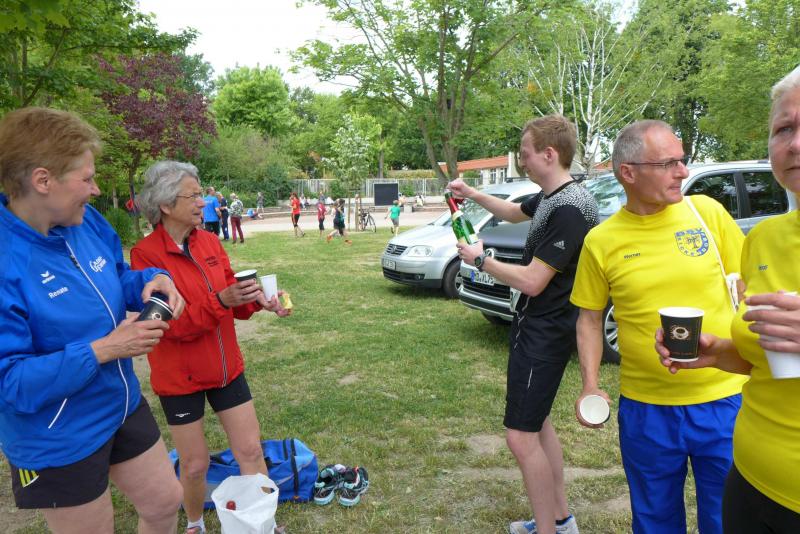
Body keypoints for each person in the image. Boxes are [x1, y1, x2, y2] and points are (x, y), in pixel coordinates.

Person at [0, 107, 186, 533]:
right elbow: (10, 383)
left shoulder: (85, 222)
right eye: (86, 179)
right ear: (43, 181)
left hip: (118, 403)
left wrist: (151, 279)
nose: (96, 189)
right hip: (57, 434)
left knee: (165, 502)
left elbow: (115, 276)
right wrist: (104, 350)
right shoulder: (7, 260)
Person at [570, 119, 747, 534]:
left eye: (682, 160)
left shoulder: (707, 214)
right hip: (646, 409)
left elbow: (746, 291)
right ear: (628, 173)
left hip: (725, 400)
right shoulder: (601, 241)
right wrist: (590, 384)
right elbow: (590, 319)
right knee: (654, 521)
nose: (682, 172)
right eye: (668, 163)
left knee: (727, 519)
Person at [656, 66, 800, 533]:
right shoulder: (764, 238)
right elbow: (768, 361)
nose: (795, 144)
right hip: (751, 481)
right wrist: (717, 352)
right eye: (784, 129)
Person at [449, 114, 597, 534]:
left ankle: (550, 529)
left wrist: (480, 260)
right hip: (538, 327)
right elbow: (514, 212)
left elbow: (533, 281)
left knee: (520, 436)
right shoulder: (554, 196)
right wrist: (471, 193)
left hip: (546, 332)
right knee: (537, 423)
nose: (522, 161)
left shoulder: (570, 209)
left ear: (549, 155)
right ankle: (560, 520)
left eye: (525, 154)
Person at [131, 161, 291, 534]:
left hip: (225, 369)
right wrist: (221, 300)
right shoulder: (145, 256)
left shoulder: (209, 241)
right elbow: (169, 325)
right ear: (166, 205)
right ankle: (195, 523)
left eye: (201, 194)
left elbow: (231, 294)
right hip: (180, 378)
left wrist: (258, 301)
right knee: (194, 464)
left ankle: (263, 525)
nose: (203, 202)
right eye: (194, 195)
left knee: (250, 451)